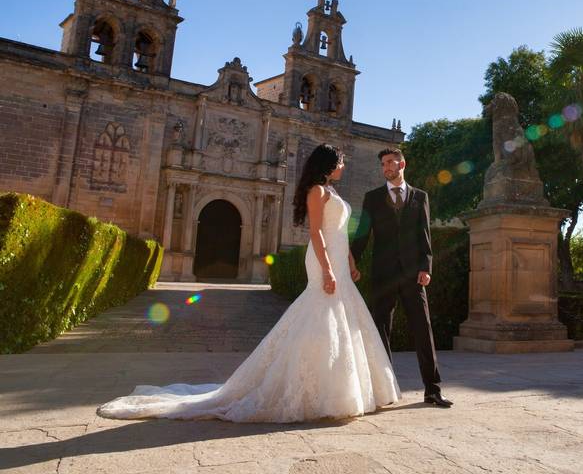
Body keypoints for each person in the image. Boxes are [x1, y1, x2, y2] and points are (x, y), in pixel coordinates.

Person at [97, 144, 401, 422]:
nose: (344, 166)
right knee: (320, 315)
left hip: (338, 259)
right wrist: (328, 269)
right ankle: (311, 385)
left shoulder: (332, 192)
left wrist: (348, 263)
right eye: (341, 162)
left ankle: (335, 383)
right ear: (329, 164)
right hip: (323, 260)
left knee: (341, 319)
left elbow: (339, 232)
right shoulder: (316, 192)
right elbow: (316, 233)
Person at [351, 148, 452, 408]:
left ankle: (433, 389)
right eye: (382, 163)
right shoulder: (372, 198)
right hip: (382, 274)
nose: (385, 167)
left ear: (402, 163)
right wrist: (351, 260)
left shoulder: (420, 197)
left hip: (412, 274)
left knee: (423, 330)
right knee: (381, 330)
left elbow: (424, 235)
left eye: (389, 162)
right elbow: (363, 233)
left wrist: (425, 267)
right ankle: (384, 390)